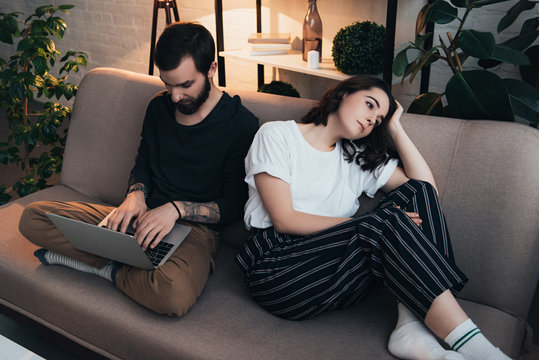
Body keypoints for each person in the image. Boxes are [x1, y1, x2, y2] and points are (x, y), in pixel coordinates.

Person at [235, 75, 511, 360]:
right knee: (385, 221)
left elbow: (425, 191)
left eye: (377, 120)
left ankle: (411, 325)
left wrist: (396, 128)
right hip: (278, 271)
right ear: (342, 94)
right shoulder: (278, 135)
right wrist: (370, 225)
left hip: (334, 274)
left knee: (417, 192)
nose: (371, 120)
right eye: (369, 105)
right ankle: (482, 352)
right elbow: (285, 219)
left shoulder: (357, 156)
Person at [18, 22, 259, 316]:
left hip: (195, 231)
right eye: (167, 84)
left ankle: (106, 270)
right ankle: (125, 260)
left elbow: (234, 204)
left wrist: (175, 210)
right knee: (33, 218)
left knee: (172, 294)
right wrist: (136, 194)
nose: (174, 96)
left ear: (211, 69)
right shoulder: (159, 107)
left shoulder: (241, 124)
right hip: (138, 216)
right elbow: (143, 162)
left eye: (185, 85)